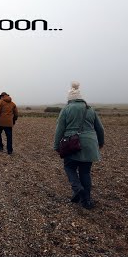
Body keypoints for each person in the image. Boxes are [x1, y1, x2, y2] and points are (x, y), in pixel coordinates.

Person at [53, 81, 105, 210]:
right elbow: (100, 129)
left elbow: (59, 129)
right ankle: (86, 201)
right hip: (90, 145)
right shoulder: (90, 109)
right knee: (85, 172)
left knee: (69, 167)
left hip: (72, 143)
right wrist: (100, 142)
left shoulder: (66, 109)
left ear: (70, 99)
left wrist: (56, 146)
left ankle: (77, 188)